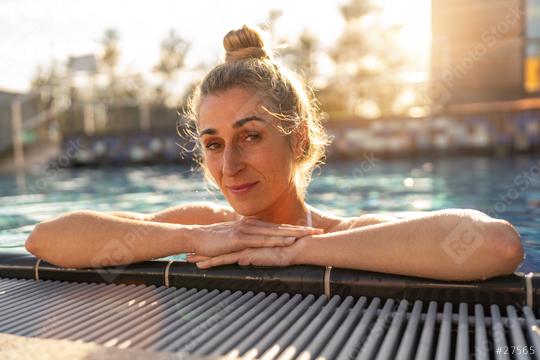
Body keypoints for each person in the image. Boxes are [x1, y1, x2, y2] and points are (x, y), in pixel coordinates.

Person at [25, 25, 524, 281]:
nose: (229, 166)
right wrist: (195, 238)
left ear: (300, 139)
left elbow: (496, 245)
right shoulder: (204, 226)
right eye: (214, 144)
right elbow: (46, 240)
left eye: (251, 135)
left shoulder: (342, 235)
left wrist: (299, 250)